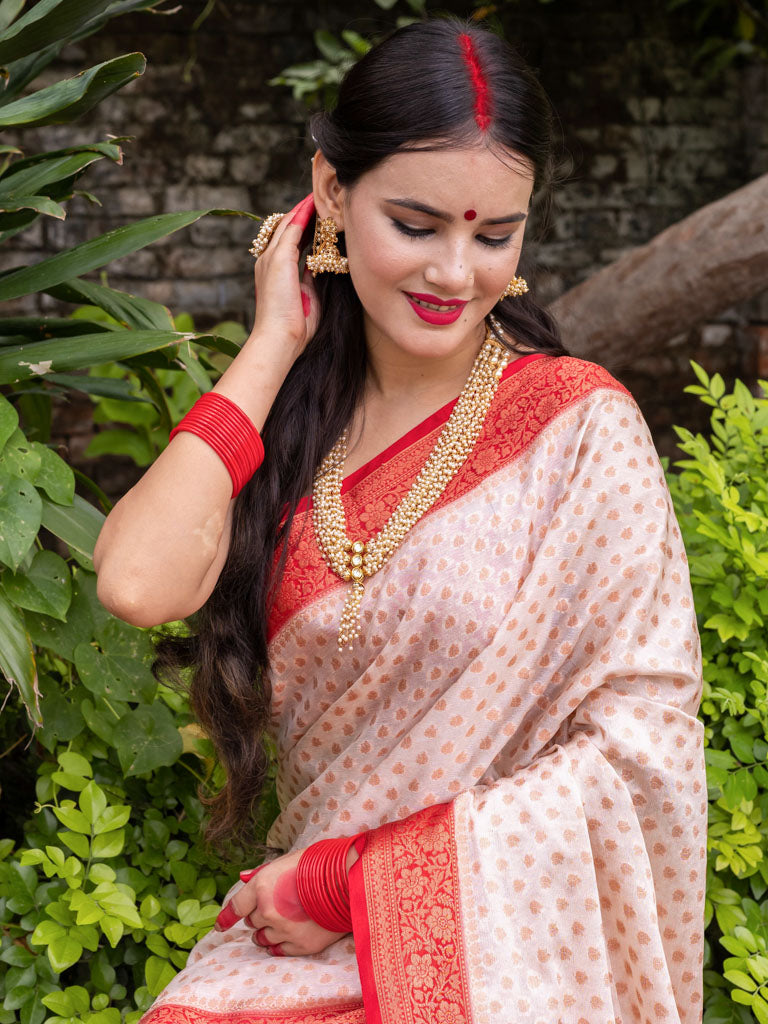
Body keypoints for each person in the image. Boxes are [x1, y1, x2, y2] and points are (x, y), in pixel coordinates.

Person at [93, 17, 707, 1024]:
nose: (456, 273)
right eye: (416, 226)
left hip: (499, 969)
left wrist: (348, 882)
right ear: (331, 193)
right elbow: (134, 584)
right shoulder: (294, 432)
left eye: (495, 234)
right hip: (289, 957)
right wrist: (269, 347)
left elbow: (643, 753)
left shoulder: (576, 430)